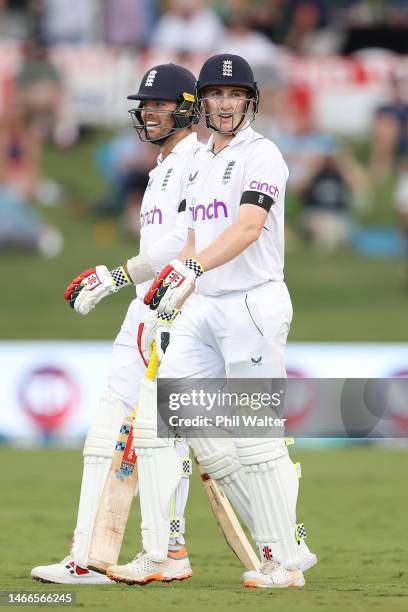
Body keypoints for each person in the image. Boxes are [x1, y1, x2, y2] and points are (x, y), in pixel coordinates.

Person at [108, 54, 317, 589]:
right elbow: (195, 237)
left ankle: (283, 562)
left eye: (235, 94)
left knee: (254, 436)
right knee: (164, 423)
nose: (225, 104)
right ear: (202, 102)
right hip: (205, 305)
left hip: (253, 303)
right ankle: (162, 552)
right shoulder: (199, 159)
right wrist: (180, 277)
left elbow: (249, 227)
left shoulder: (263, 155)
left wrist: (195, 268)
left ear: (251, 100)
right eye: (216, 95)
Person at [31, 63, 201, 584]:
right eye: (144, 105)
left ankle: (165, 549)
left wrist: (118, 276)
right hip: (150, 305)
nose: (148, 112)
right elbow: (158, 249)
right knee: (113, 429)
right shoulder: (162, 167)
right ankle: (89, 553)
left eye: (159, 104)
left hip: (181, 306)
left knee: (157, 436)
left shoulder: (198, 161)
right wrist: (120, 276)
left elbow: (183, 246)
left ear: (187, 108)